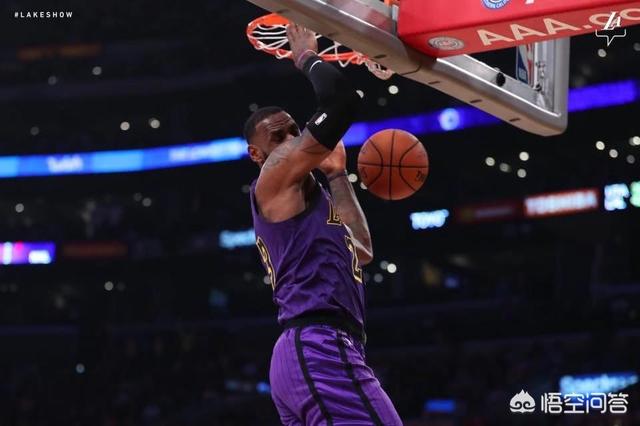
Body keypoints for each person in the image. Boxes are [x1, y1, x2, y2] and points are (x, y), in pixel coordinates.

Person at [243, 23, 402, 426]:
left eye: (295, 131)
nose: (291, 139)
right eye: (278, 137)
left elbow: (361, 250)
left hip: (312, 350)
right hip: (317, 346)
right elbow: (343, 101)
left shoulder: (309, 197)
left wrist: (336, 175)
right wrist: (305, 56)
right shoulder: (273, 176)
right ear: (257, 155)